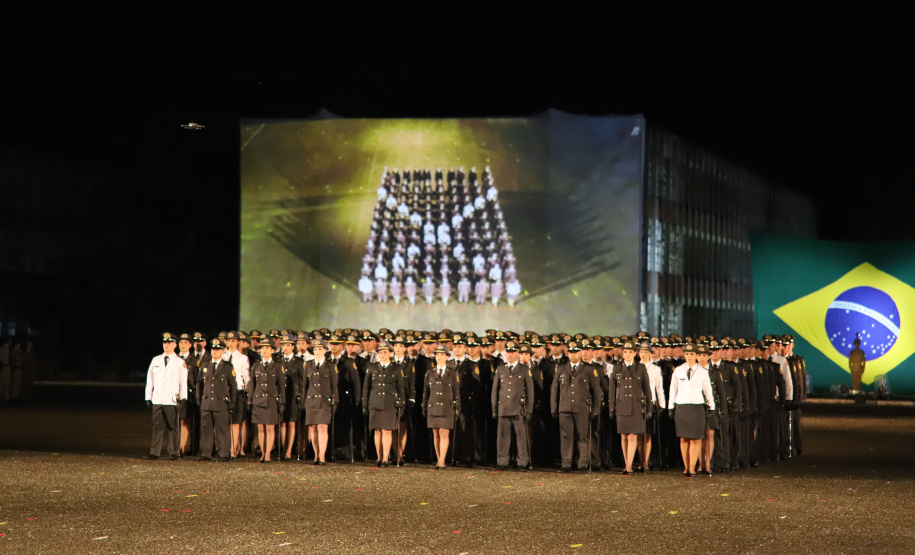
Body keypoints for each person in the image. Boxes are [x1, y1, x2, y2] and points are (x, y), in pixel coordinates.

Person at [551, 341, 601, 473]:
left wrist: (595, 410)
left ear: (580, 353)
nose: (573, 355)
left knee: (583, 437)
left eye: (576, 352)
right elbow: (555, 390)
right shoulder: (561, 368)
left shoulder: (589, 369)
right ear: (567, 354)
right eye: (571, 352)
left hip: (582, 408)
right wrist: (554, 408)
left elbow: (596, 391)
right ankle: (566, 463)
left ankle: (582, 463)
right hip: (565, 407)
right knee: (566, 436)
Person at [668, 343, 715, 478]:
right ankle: (686, 466)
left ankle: (692, 467)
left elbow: (708, 390)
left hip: (697, 406)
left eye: (692, 354)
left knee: (695, 438)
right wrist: (671, 407)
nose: (689, 356)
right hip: (682, 406)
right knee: (684, 438)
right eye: (687, 354)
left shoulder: (703, 371)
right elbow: (673, 389)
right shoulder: (678, 370)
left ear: (696, 355)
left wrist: (711, 406)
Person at [607, 341, 652, 475]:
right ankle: (627, 464)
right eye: (625, 352)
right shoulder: (617, 368)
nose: (627, 354)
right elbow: (612, 389)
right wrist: (611, 407)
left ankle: (629, 466)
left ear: (635, 353)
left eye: (630, 352)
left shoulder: (640, 368)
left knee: (632, 436)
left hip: (635, 406)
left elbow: (647, 389)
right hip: (621, 405)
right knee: (624, 436)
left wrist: (649, 408)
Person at [144, 332, 189, 460]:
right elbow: (150, 379)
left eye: (169, 343)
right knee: (157, 426)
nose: (167, 345)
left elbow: (183, 382)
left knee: (172, 426)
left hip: (171, 399)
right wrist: (148, 397)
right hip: (158, 398)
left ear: (175, 344)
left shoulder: (179, 362)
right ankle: (155, 452)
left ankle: (173, 451)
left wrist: (183, 398)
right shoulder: (156, 360)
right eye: (165, 343)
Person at [361, 340, 406, 467]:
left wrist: (402, 403)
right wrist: (364, 403)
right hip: (375, 402)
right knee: (377, 431)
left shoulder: (396, 368)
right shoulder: (372, 367)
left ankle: (386, 458)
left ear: (390, 353)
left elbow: (401, 388)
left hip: (389, 403)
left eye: (385, 352)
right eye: (380, 352)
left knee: (387, 431)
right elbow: (366, 387)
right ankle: (379, 457)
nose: (383, 355)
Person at [491, 341, 534, 471]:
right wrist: (494, 409)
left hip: (519, 408)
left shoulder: (524, 369)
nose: (510, 355)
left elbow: (530, 391)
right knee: (503, 437)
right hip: (503, 407)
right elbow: (495, 390)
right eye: (508, 352)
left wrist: (529, 410)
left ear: (517, 353)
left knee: (521, 437)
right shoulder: (500, 369)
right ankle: (502, 461)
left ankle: (522, 462)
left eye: (513, 352)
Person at [197, 338, 237, 462]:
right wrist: (199, 399)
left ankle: (224, 453)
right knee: (206, 428)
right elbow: (199, 384)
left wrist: (232, 402)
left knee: (222, 429)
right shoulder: (205, 364)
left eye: (217, 349)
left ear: (223, 351)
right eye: (213, 349)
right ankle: (206, 452)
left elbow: (233, 386)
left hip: (221, 402)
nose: (214, 352)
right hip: (207, 402)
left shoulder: (227, 367)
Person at [422, 345, 460, 469]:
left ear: (447, 357)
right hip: (433, 406)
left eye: (442, 355)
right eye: (437, 354)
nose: (439, 357)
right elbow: (426, 392)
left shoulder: (452, 373)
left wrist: (457, 406)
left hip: (447, 407)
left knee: (444, 432)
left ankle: (442, 460)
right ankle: (438, 459)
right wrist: (424, 407)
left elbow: (456, 391)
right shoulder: (430, 372)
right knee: (436, 434)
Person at [246, 340, 285, 463]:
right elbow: (252, 384)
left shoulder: (277, 366)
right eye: (262, 348)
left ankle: (268, 454)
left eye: (267, 348)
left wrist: (282, 402)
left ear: (272, 350)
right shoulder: (256, 365)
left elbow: (281, 386)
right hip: (258, 399)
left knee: (269, 428)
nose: (264, 350)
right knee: (261, 429)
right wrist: (250, 400)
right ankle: (263, 453)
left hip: (271, 400)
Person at [303, 339, 338, 466]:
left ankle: (322, 455)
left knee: (322, 427)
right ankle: (316, 455)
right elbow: (305, 384)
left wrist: (335, 400)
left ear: (325, 350)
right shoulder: (308, 365)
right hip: (311, 399)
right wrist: (303, 400)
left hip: (324, 400)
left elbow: (334, 384)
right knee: (313, 428)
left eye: (320, 349)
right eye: (315, 349)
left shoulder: (331, 365)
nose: (317, 351)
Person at [637, 341, 665, 471]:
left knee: (647, 434)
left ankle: (646, 461)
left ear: (649, 353)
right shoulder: (635, 368)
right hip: (637, 403)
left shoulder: (655, 369)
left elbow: (659, 388)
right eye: (641, 352)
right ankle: (640, 460)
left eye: (645, 352)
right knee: (638, 434)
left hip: (650, 403)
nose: (643, 354)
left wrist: (662, 404)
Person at [279, 333, 303, 460]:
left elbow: (302, 381)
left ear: (293, 347)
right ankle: (283, 449)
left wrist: (301, 396)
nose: (285, 348)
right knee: (283, 423)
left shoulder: (298, 362)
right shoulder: (279, 361)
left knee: (292, 423)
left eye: (288, 345)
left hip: (293, 396)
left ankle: (289, 451)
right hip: (282, 395)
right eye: (284, 345)